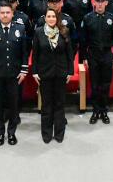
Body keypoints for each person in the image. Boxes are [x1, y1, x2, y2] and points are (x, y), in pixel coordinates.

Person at [0, 3, 29, 146]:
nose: (5, 15)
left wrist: (24, 70)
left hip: (14, 74)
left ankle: (11, 132)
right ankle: (0, 132)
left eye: (8, 12)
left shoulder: (20, 28)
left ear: (12, 14)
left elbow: (24, 52)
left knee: (14, 105)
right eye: (2, 13)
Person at [32, 8, 74, 143]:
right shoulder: (38, 32)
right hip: (45, 74)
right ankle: (47, 132)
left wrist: (70, 71)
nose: (51, 19)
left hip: (61, 73)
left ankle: (59, 132)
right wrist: (35, 71)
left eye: (53, 16)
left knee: (60, 104)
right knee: (46, 104)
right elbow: (35, 54)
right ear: (45, 18)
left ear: (57, 19)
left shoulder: (64, 31)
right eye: (49, 16)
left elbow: (70, 54)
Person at [80, 0, 113, 124]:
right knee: (95, 83)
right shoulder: (87, 18)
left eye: (103, 1)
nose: (100, 4)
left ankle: (104, 110)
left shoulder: (112, 18)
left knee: (105, 84)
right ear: (94, 2)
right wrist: (84, 57)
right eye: (98, 1)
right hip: (93, 54)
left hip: (107, 54)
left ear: (107, 2)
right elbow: (83, 40)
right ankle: (95, 110)